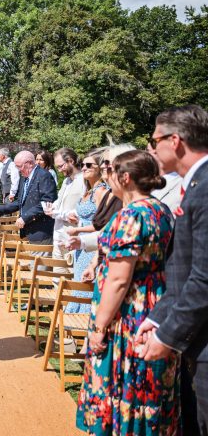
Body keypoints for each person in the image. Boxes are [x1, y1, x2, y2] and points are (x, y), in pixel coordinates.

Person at [76, 150, 177, 435]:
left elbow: (119, 281)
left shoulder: (131, 216)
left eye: (110, 172)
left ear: (126, 177)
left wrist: (99, 327)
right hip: (157, 308)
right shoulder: (161, 210)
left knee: (123, 384)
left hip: (128, 314)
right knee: (149, 388)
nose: (107, 177)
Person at [138, 105, 208, 435]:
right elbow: (183, 267)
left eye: (155, 140)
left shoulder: (205, 187)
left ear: (175, 140)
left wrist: (167, 334)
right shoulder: (195, 185)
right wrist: (157, 317)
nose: (152, 147)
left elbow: (204, 278)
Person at [64, 151, 108, 314]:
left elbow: (102, 224)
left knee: (84, 285)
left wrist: (78, 229)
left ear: (99, 168)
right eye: (83, 164)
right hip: (80, 244)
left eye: (89, 165)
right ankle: (73, 330)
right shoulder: (88, 190)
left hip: (91, 244)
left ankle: (80, 326)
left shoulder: (101, 191)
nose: (84, 168)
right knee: (78, 281)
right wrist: (76, 221)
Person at [0, 151, 58, 246]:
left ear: (30, 163)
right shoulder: (24, 177)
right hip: (30, 231)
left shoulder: (44, 176)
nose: (18, 170)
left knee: (37, 261)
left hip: (41, 231)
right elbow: (20, 201)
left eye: (19, 166)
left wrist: (25, 217)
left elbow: (47, 202)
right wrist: (0, 209)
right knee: (32, 260)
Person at [45, 147, 85, 262]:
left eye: (61, 166)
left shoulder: (83, 181)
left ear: (71, 161)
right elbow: (61, 201)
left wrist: (56, 213)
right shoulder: (66, 181)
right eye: (57, 167)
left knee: (72, 277)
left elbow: (79, 212)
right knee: (56, 279)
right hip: (58, 237)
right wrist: (52, 206)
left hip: (72, 240)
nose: (59, 170)